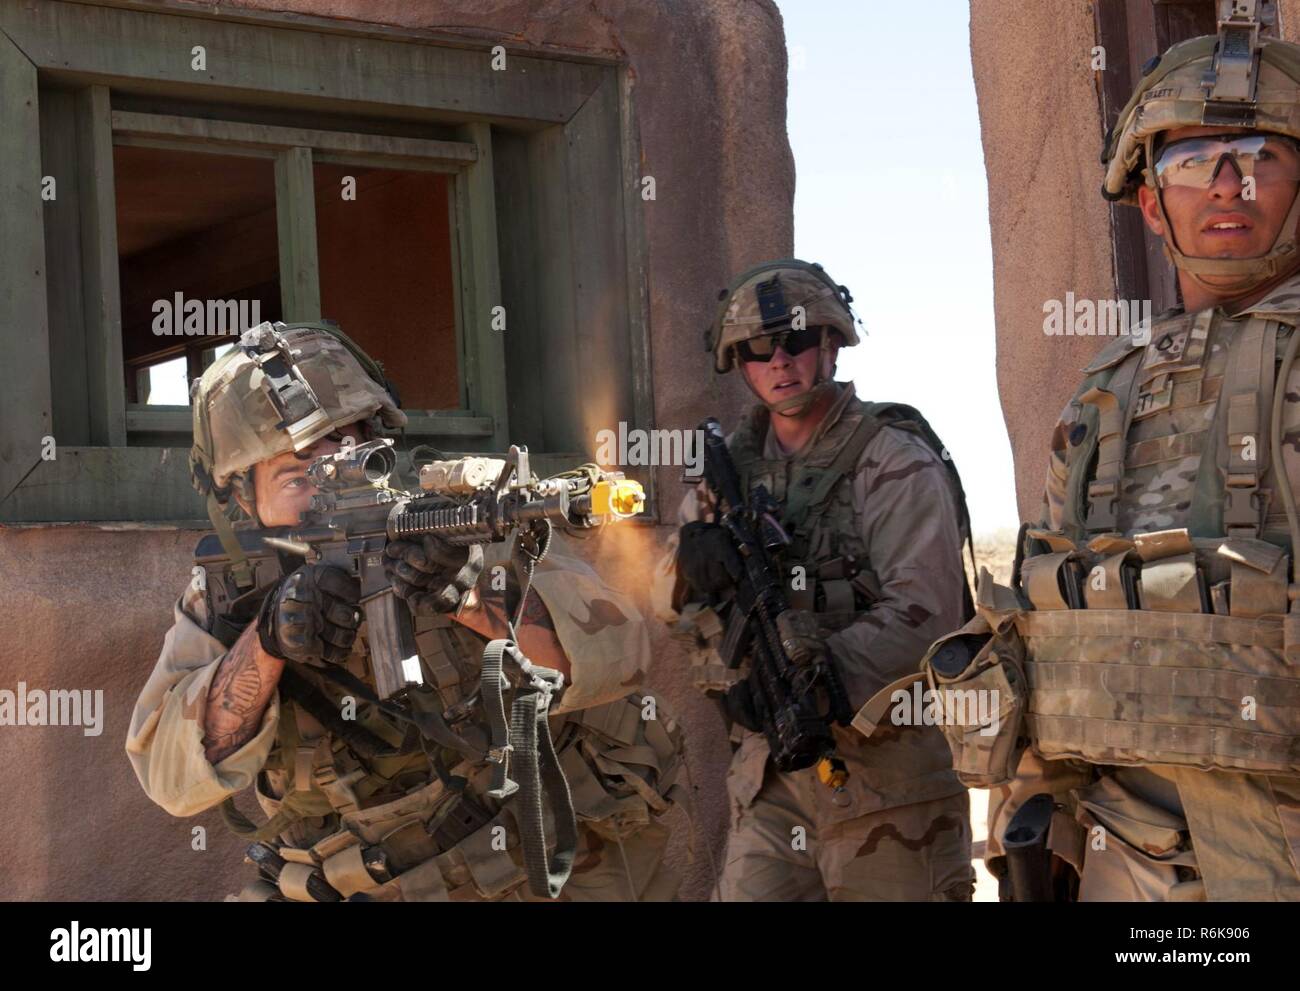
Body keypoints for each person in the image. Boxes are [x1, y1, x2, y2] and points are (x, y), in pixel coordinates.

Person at [126, 320, 683, 902]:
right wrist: (268, 641)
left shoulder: (455, 524)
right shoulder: (233, 591)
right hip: (346, 879)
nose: (328, 492)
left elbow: (620, 657)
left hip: (513, 860)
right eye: (297, 477)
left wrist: (468, 595)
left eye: (350, 456)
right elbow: (171, 780)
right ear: (242, 499)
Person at [966, 6, 1300, 900]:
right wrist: (1033, 816)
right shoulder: (1108, 388)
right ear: (1150, 198)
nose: (1229, 185)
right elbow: (1054, 608)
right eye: (1194, 162)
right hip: (1133, 850)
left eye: (1262, 156)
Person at [652, 260, 976, 901]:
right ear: (738, 363)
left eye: (796, 341)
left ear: (829, 343)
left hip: (889, 778)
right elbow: (678, 613)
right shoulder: (730, 475)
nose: (780, 361)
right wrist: (689, 568)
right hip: (773, 776)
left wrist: (808, 680)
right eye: (758, 349)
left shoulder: (892, 459)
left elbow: (928, 617)